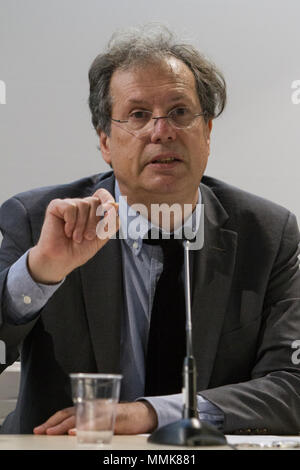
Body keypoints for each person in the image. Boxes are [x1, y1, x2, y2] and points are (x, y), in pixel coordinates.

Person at [0, 25, 300, 436]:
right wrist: (40, 273)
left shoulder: (268, 235)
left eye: (180, 112)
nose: (162, 131)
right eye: (139, 115)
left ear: (207, 132)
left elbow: (292, 385)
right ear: (105, 140)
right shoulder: (38, 220)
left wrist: (150, 414)